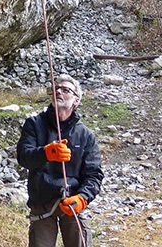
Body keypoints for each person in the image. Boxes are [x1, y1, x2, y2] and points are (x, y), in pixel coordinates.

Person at [16, 74, 103, 247]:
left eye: (65, 90)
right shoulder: (34, 124)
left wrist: (82, 198)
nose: (58, 92)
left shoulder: (85, 135)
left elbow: (94, 174)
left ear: (76, 100)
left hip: (71, 200)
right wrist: (46, 153)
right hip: (42, 200)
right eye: (56, 89)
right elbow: (23, 157)